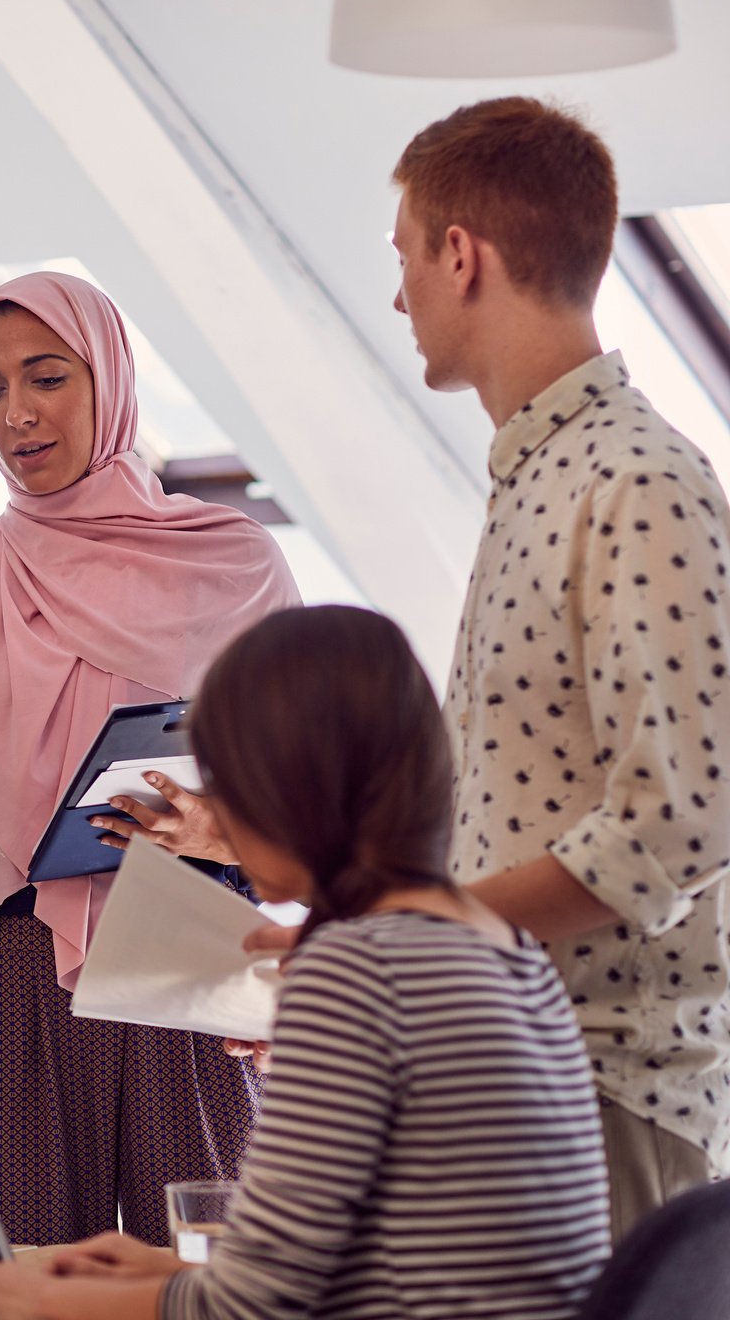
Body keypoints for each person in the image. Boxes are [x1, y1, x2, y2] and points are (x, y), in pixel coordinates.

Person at [107, 98, 730, 1237]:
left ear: (461, 254)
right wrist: (245, 842)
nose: (397, 298)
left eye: (405, 259)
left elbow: (683, 822)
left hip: (608, 1089)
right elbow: (520, 808)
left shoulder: (636, 480)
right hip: (521, 1065)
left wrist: (391, 939)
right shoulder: (536, 479)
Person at [0, 605, 611, 1320]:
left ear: (291, 786)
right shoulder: (500, 945)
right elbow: (370, 1254)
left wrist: (36, 1298)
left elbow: (253, 1306)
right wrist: (165, 1265)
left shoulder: (355, 969)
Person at [0, 272, 298, 1246]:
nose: (19, 414)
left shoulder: (234, 566)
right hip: (8, 974)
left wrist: (221, 826)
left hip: (193, 950)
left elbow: (306, 801)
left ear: (112, 381)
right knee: (7, 1282)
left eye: (47, 378)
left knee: (213, 1278)